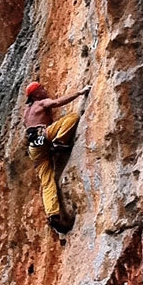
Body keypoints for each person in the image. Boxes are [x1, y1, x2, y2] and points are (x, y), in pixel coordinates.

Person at [24, 81, 91, 233]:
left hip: (34, 147)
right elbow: (57, 102)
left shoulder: (26, 111)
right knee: (72, 117)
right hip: (45, 136)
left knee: (47, 181)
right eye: (41, 89)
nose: (45, 89)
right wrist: (80, 92)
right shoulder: (41, 103)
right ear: (35, 94)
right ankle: (59, 141)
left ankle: (53, 214)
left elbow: (27, 129)